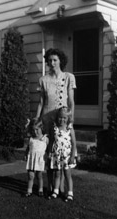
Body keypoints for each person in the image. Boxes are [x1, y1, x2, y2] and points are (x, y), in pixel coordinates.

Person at [34, 48, 76, 194]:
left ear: (60, 61)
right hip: (47, 120)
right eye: (50, 60)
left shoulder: (68, 77)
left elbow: (71, 101)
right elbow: (41, 102)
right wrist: (37, 119)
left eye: (55, 60)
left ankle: (61, 188)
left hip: (62, 121)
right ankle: (51, 187)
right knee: (50, 154)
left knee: (61, 153)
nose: (52, 63)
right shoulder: (43, 80)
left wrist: (71, 120)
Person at [49, 107, 76, 202]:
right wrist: (49, 152)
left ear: (68, 118)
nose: (62, 119)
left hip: (67, 157)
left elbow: (73, 143)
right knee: (57, 174)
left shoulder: (70, 129)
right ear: (57, 117)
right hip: (57, 155)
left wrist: (73, 156)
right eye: (60, 117)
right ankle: (55, 191)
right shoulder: (55, 128)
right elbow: (52, 141)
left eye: (64, 118)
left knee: (67, 174)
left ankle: (70, 193)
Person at [24, 120, 49, 197]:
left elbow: (48, 150)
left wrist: (48, 157)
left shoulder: (45, 139)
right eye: (33, 130)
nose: (35, 132)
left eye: (37, 129)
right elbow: (28, 148)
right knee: (31, 175)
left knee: (39, 175)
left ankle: (40, 189)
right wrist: (25, 154)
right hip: (31, 159)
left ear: (41, 128)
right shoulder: (31, 139)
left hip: (40, 160)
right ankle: (29, 190)